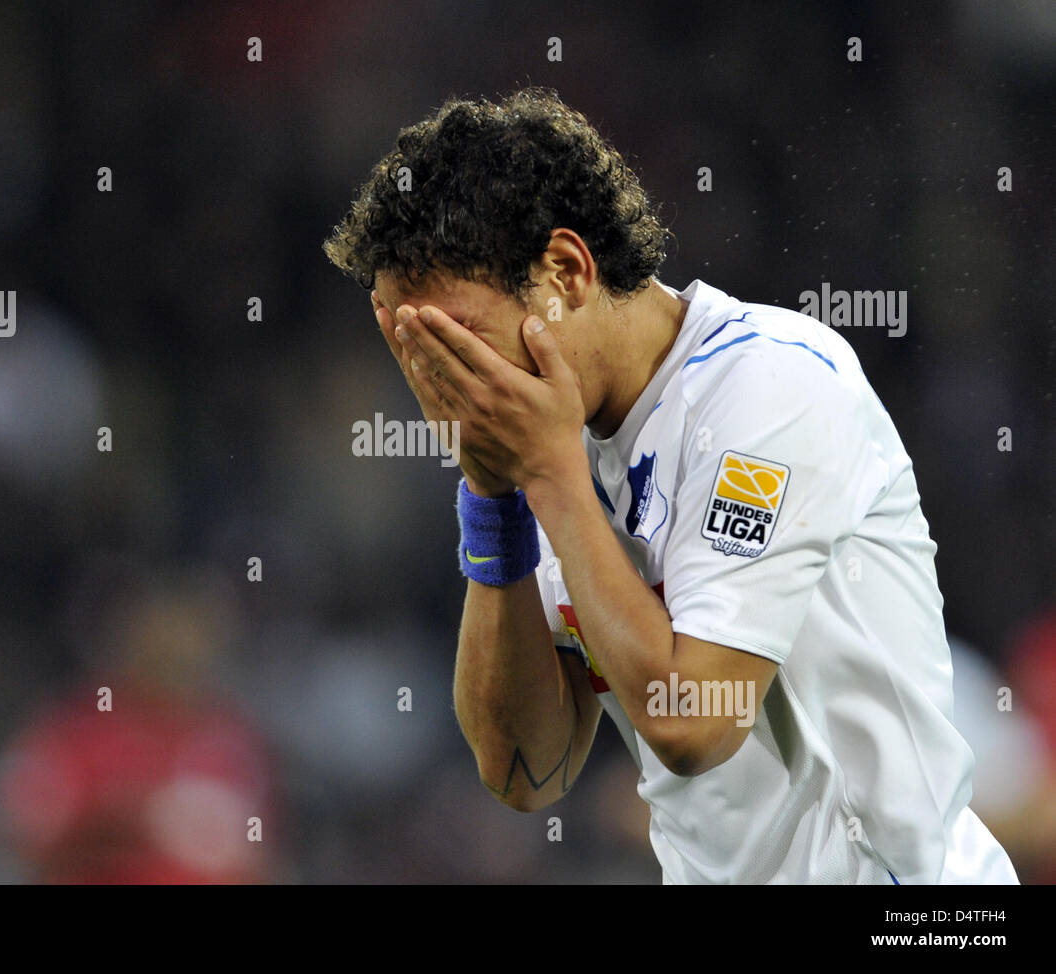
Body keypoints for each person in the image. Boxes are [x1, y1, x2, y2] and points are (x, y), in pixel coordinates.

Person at [323, 87, 1017, 884]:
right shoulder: (551, 439)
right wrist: (492, 498)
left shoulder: (774, 384)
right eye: (416, 351)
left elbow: (695, 722)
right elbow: (524, 770)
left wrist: (548, 476)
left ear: (566, 271)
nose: (450, 386)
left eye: (461, 342)